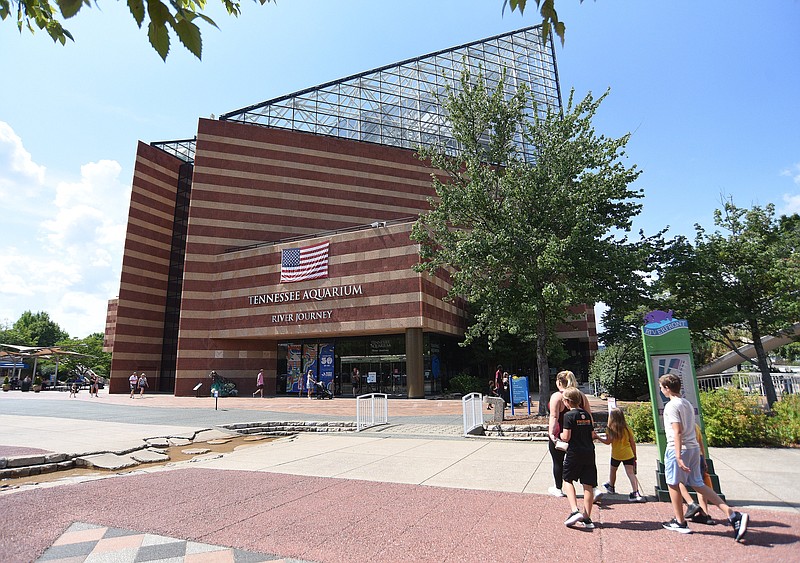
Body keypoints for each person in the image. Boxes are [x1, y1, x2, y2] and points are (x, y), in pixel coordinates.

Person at [659, 373, 748, 540]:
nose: (661, 390)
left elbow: (677, 431)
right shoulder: (687, 404)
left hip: (678, 448)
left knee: (672, 483)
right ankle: (732, 515)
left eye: (662, 388)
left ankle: (680, 521)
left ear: (667, 388)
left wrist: (677, 455)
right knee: (698, 483)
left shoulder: (671, 406)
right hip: (693, 448)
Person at [548, 370, 594, 498]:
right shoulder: (581, 396)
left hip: (562, 433)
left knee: (558, 461)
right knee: (585, 464)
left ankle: (558, 487)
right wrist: (591, 431)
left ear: (559, 382)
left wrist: (551, 434)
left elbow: (554, 416)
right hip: (579, 435)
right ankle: (592, 488)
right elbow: (589, 415)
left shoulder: (557, 396)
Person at [560, 387, 600, 529]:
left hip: (574, 452)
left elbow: (566, 437)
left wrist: (559, 437)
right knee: (588, 485)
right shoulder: (587, 415)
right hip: (589, 452)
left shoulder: (568, 416)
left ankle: (574, 510)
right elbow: (592, 434)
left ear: (567, 401)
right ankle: (587, 518)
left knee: (567, 479)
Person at [597, 408, 645, 502]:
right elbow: (632, 442)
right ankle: (636, 491)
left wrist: (598, 437)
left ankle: (611, 486)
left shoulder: (610, 429)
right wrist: (634, 454)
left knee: (613, 471)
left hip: (616, 454)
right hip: (628, 453)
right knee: (631, 473)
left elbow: (608, 442)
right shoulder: (627, 428)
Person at [678, 424, 716, 525]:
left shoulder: (680, 425)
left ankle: (691, 503)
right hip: (698, 456)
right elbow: (701, 444)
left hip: (684, 454)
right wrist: (704, 459)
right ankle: (704, 513)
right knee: (699, 483)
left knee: (678, 481)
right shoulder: (695, 426)